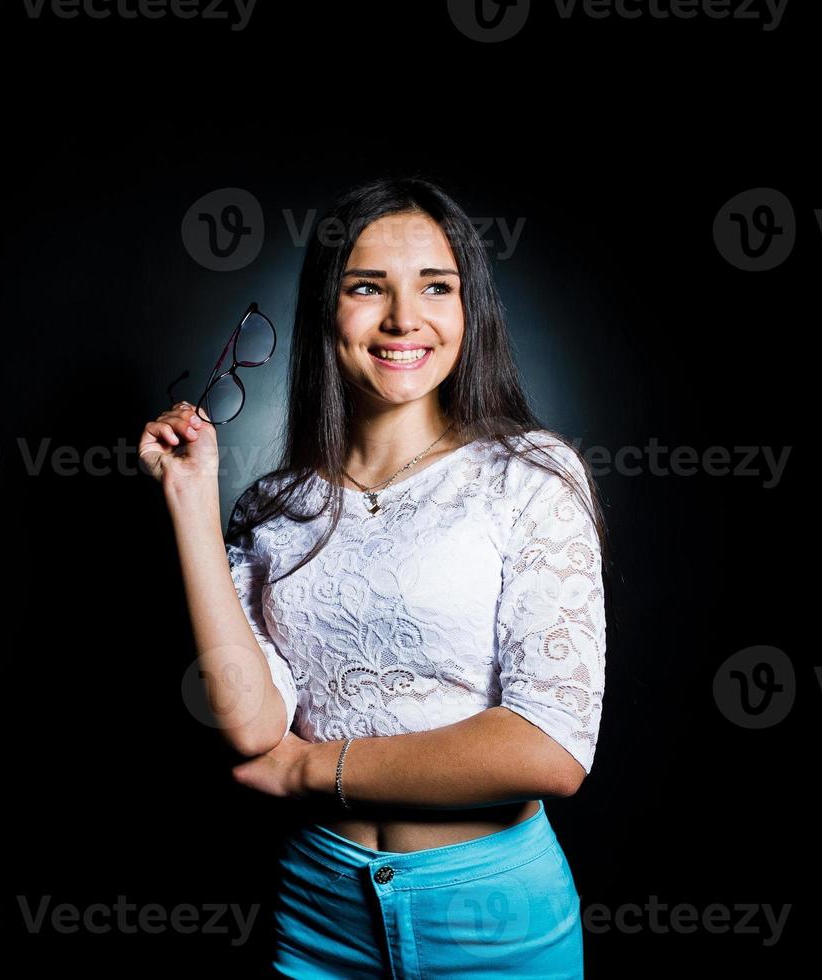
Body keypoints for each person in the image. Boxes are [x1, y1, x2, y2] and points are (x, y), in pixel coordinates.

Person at [138, 176, 608, 978]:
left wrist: (306, 768)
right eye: (367, 287)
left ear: (470, 309)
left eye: (435, 286)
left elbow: (550, 746)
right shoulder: (273, 506)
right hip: (317, 906)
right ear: (329, 307)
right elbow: (251, 726)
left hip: (490, 916)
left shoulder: (529, 476)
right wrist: (189, 503)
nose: (403, 318)